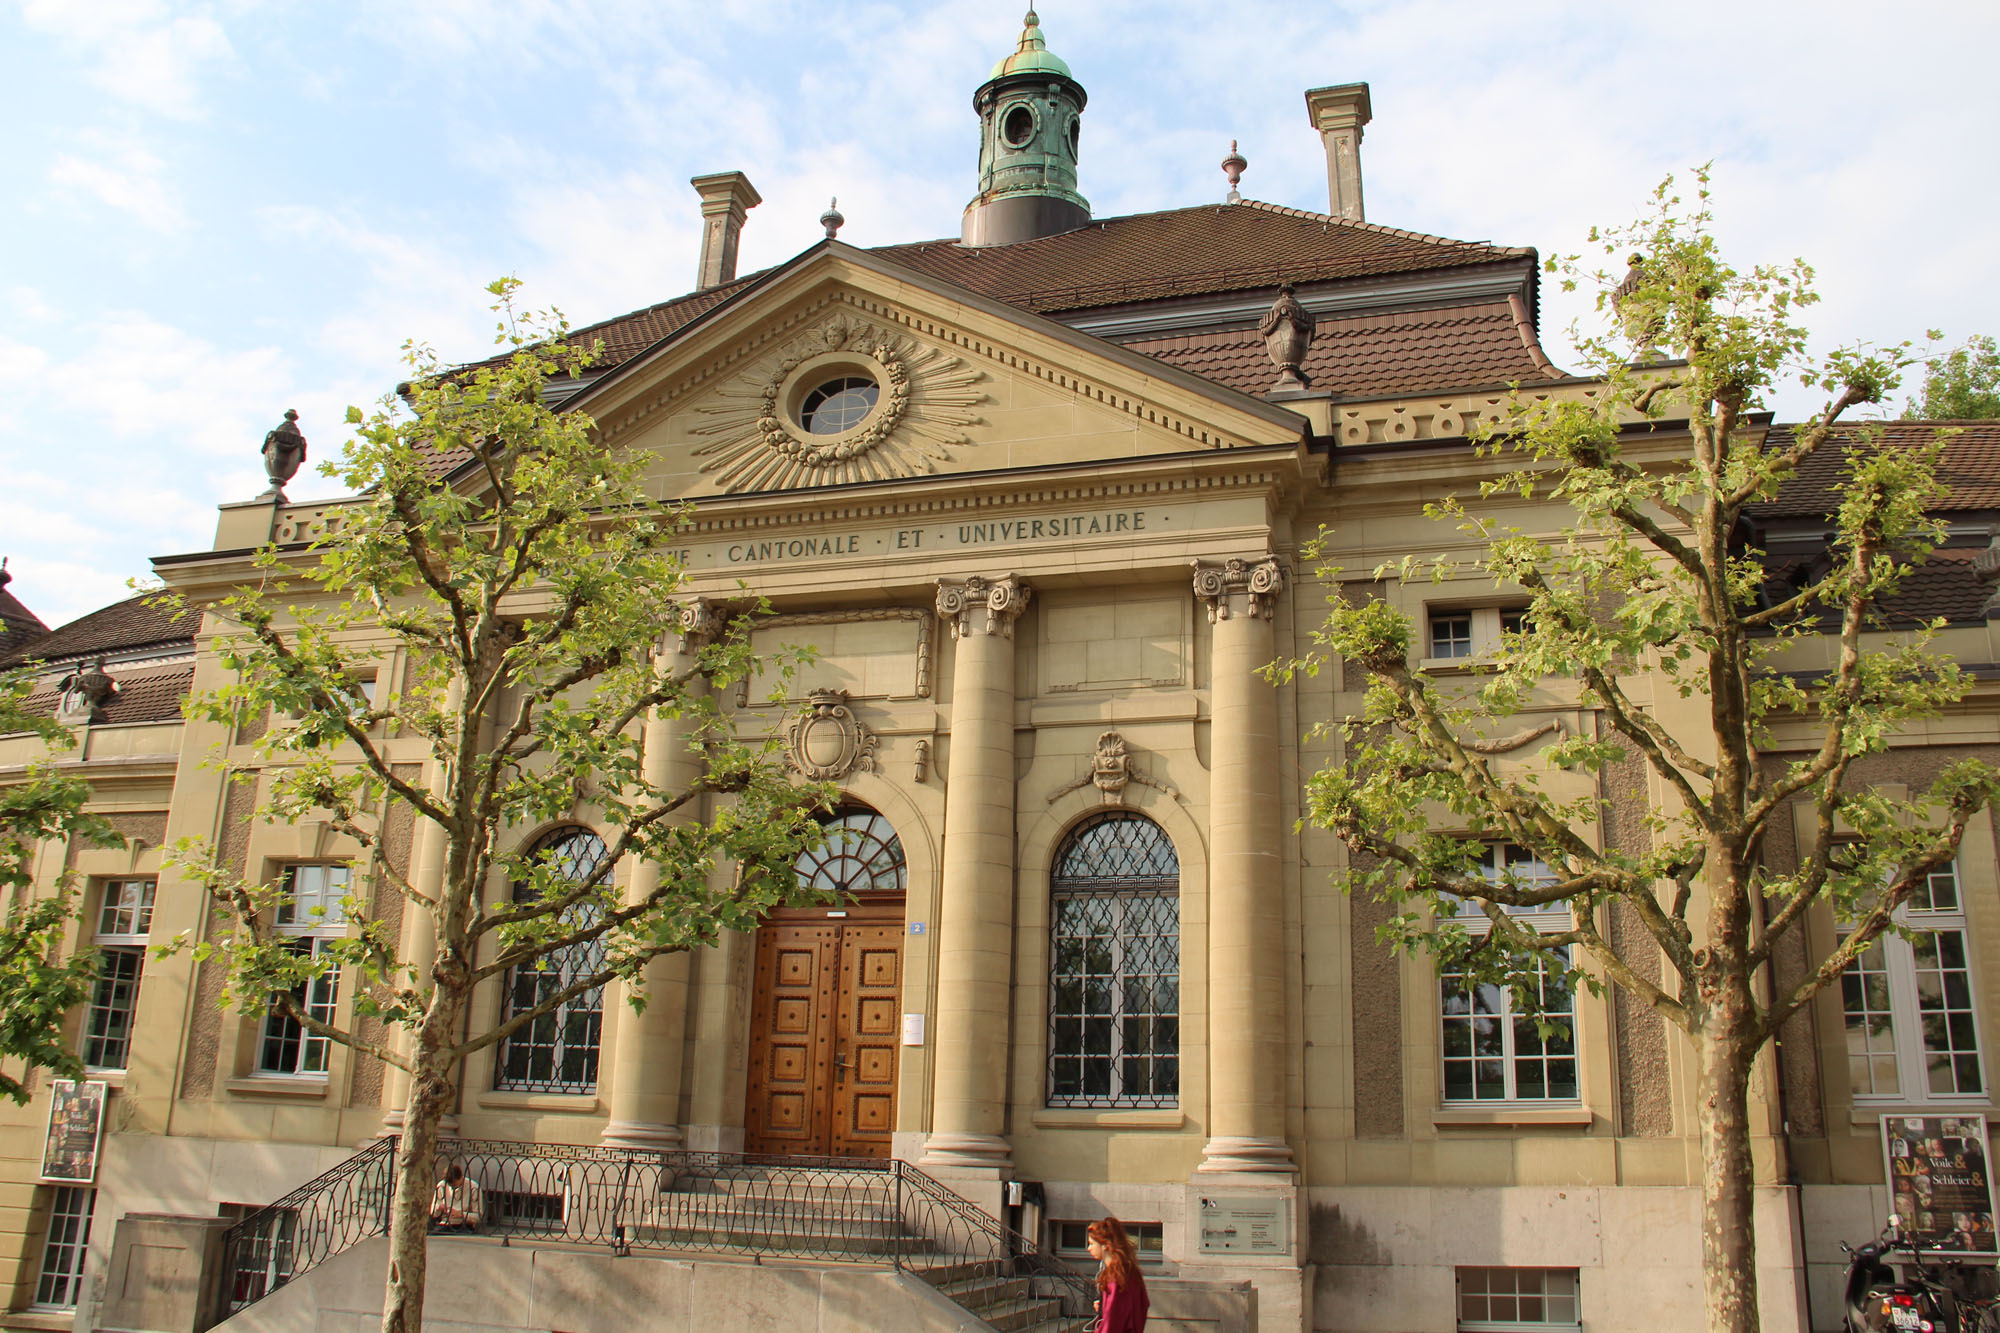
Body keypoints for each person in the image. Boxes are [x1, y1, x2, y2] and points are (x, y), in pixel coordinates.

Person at [1087, 1216, 1148, 1333]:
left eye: (1091, 1244)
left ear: (1104, 1245)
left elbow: (1112, 1321)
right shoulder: (1131, 1272)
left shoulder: (1115, 1276)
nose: (1088, 1248)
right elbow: (1142, 1305)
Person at [429, 1164, 483, 1233]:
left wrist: (460, 1214)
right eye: (450, 1185)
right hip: (444, 1224)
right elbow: (433, 1213)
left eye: (454, 1185)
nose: (452, 1188)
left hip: (464, 1225)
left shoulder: (473, 1188)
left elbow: (478, 1217)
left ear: (461, 1177)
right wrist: (439, 1207)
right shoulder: (441, 1186)